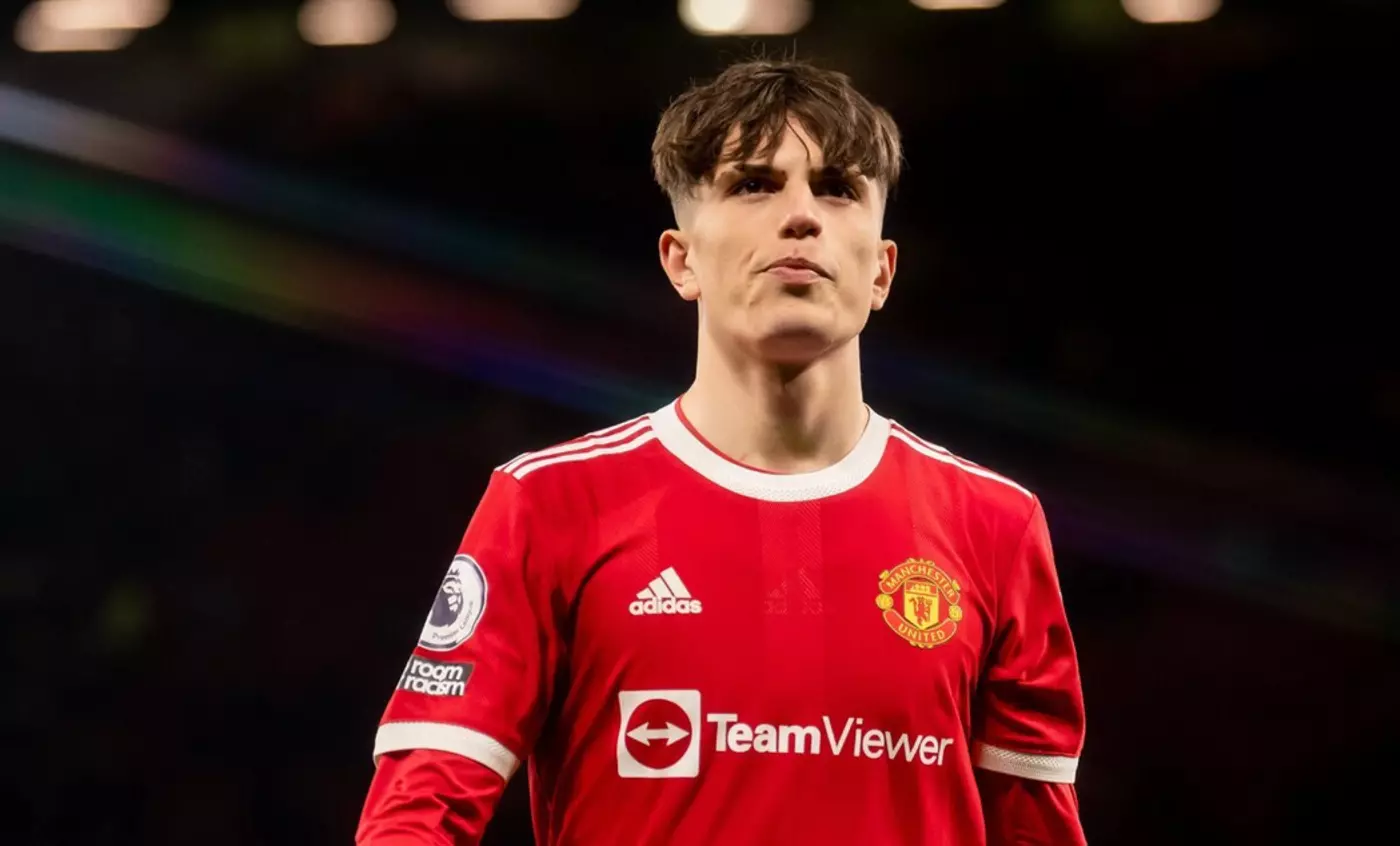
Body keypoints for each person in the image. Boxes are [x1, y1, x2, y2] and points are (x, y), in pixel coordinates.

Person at [356, 58, 1086, 846]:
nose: (800, 216)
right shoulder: (550, 502)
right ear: (682, 260)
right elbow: (417, 813)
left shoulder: (995, 526)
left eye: (837, 188)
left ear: (881, 271)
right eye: (754, 184)